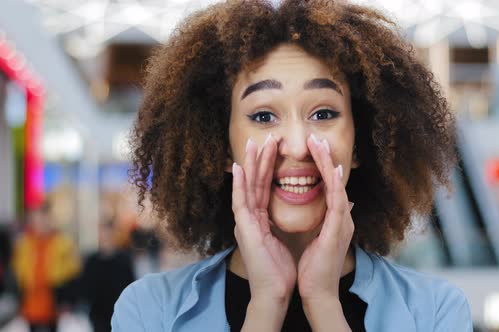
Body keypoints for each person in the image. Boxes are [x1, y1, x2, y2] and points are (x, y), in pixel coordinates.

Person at [112, 0, 472, 331]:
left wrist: (323, 303)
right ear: (221, 147)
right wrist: (267, 304)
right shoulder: (150, 311)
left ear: (361, 144)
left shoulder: (435, 312)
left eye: (324, 113)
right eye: (264, 115)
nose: (298, 147)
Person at [12, 203, 80, 332]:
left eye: (43, 218)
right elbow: (19, 273)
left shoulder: (62, 243)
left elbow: (73, 273)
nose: (40, 223)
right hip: (31, 305)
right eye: (36, 219)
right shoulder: (24, 244)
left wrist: (67, 299)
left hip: (53, 305)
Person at [79, 221, 135, 332]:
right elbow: (85, 286)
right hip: (98, 313)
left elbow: (130, 283)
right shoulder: (92, 261)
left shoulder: (124, 260)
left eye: (109, 235)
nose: (106, 239)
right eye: (103, 235)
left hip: (119, 310)